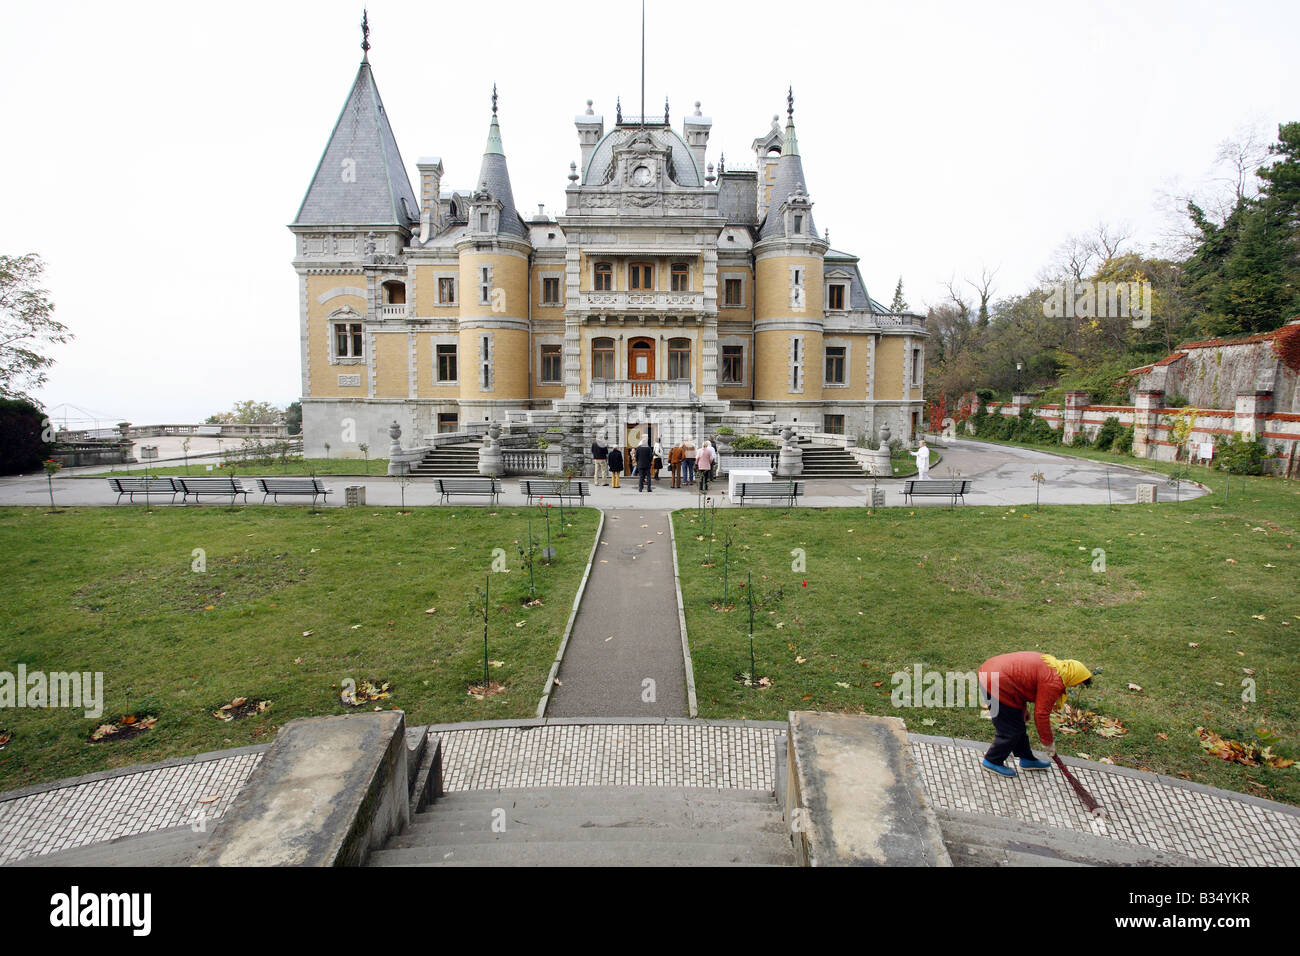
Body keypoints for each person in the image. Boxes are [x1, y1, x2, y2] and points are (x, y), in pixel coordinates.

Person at [977, 652, 1093, 777]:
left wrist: (1023, 709)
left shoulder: (1053, 665)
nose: (1075, 685)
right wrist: (1048, 743)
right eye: (1078, 683)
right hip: (995, 683)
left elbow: (1022, 682)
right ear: (1074, 676)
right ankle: (992, 760)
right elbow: (1041, 715)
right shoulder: (1053, 682)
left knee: (1018, 725)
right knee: (1010, 730)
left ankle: (1027, 759)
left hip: (995, 673)